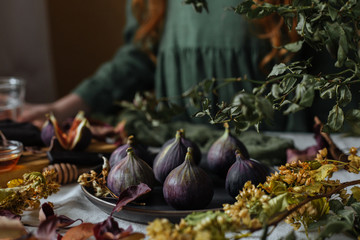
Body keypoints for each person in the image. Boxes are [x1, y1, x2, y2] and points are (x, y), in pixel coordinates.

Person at [18, 0, 335, 132]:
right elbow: (140, 57)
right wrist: (61, 108)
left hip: (278, 156)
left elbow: (331, 71)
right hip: (180, 156)